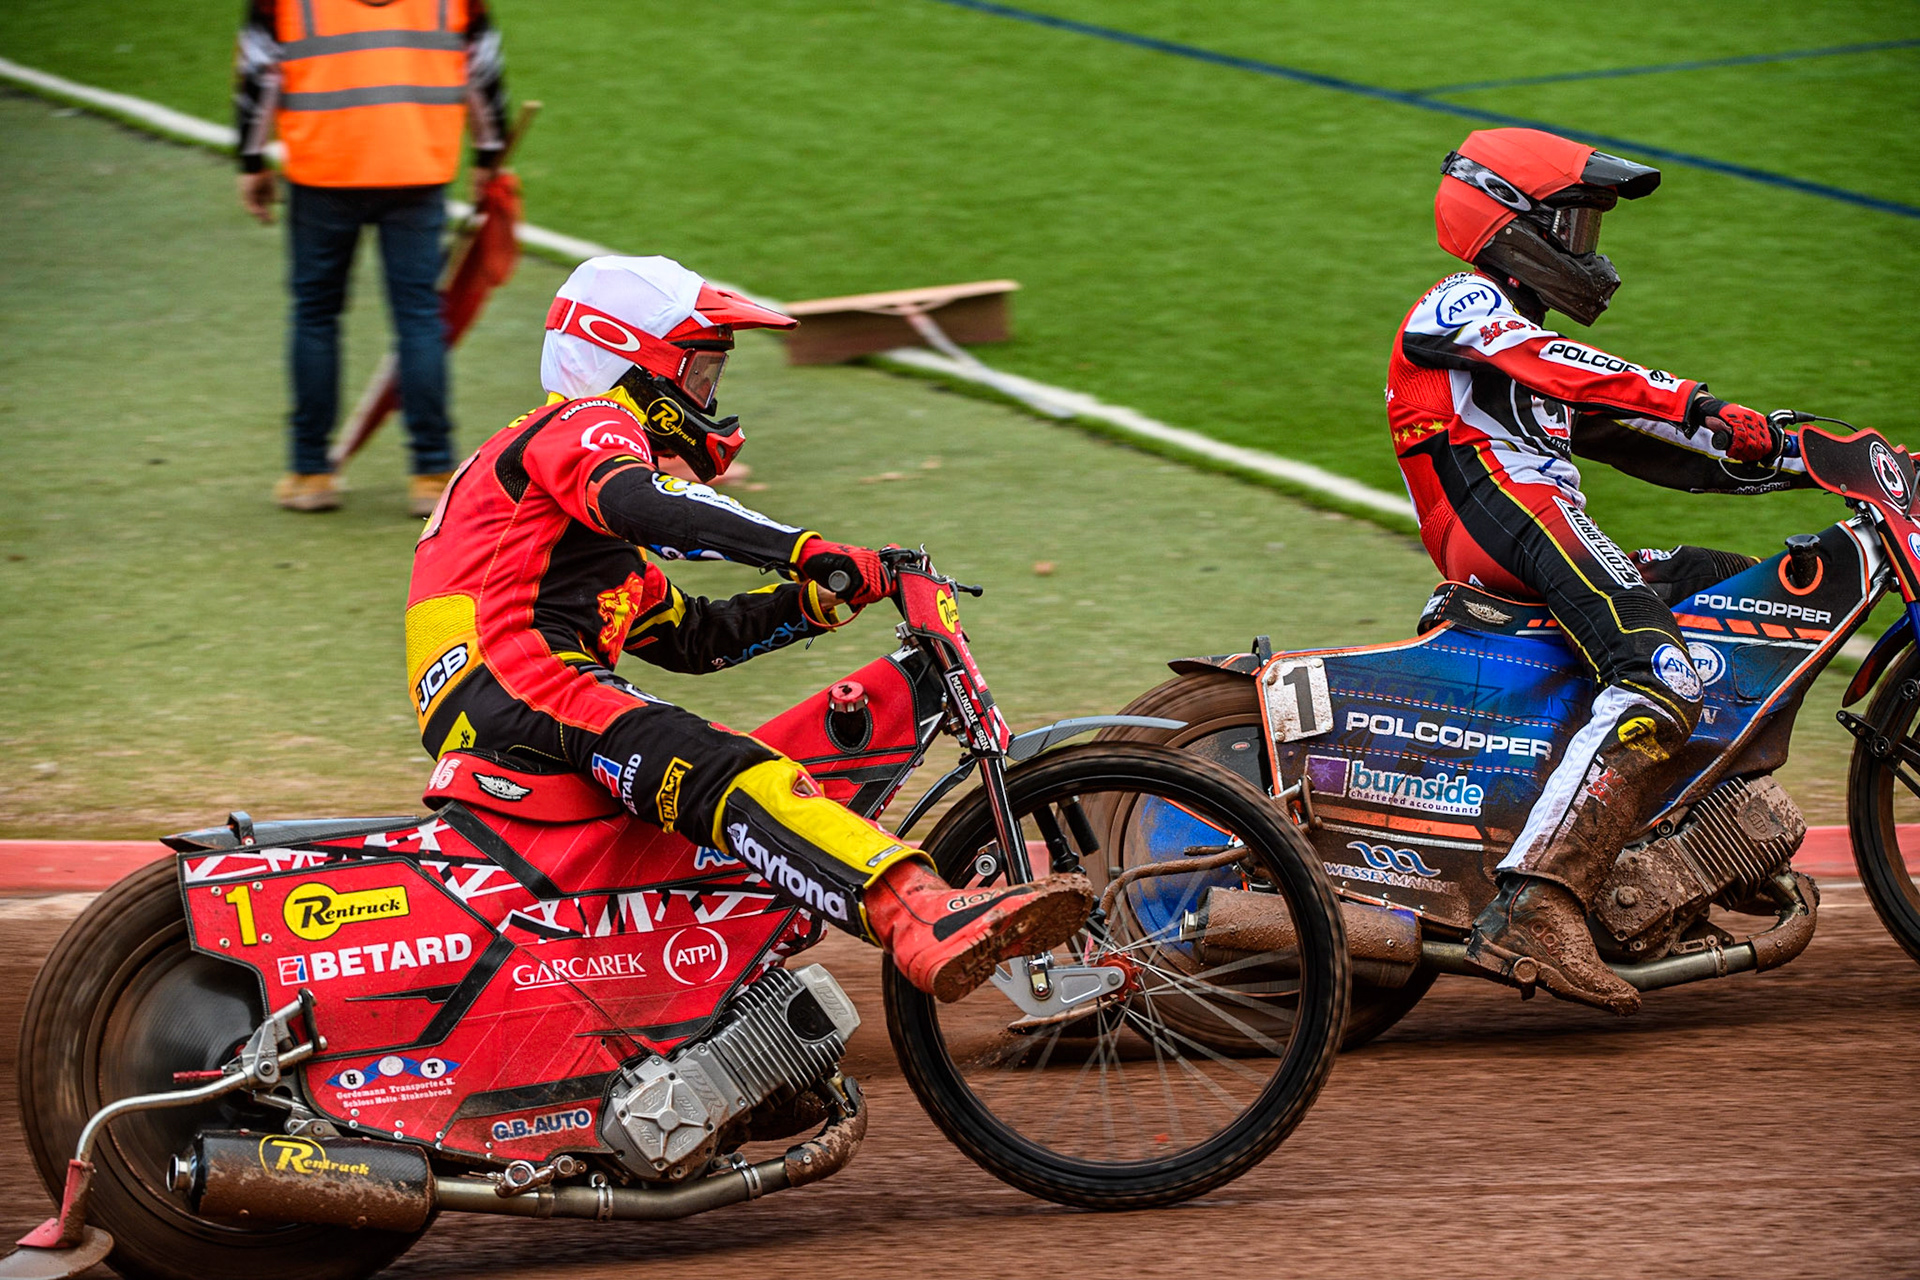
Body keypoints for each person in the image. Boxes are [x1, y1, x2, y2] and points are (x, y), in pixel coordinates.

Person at [407, 254, 1093, 1001]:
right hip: (515, 679)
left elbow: (693, 638)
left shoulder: (573, 535)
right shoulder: (582, 422)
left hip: (493, 693)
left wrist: (817, 599)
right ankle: (916, 915)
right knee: (735, 768)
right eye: (700, 374)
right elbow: (645, 504)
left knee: (691, 789)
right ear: (632, 363)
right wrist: (807, 550)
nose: (710, 398)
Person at [1387, 127, 1808, 1013]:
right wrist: (1698, 400)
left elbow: (1658, 444)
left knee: (1736, 591)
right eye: (1574, 227)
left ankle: (1678, 843)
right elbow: (1573, 372)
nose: (1591, 252)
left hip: (1537, 519)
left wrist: (1796, 453)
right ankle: (1538, 904)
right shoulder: (1461, 304)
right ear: (1507, 224)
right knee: (1661, 676)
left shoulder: (1520, 342)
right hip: (1501, 515)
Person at [234, 0, 511, 515]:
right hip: (416, 168)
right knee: (419, 318)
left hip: (322, 172)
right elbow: (482, 67)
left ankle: (310, 473)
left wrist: (252, 161)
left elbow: (259, 73)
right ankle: (431, 475)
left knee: (316, 315)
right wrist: (488, 152)